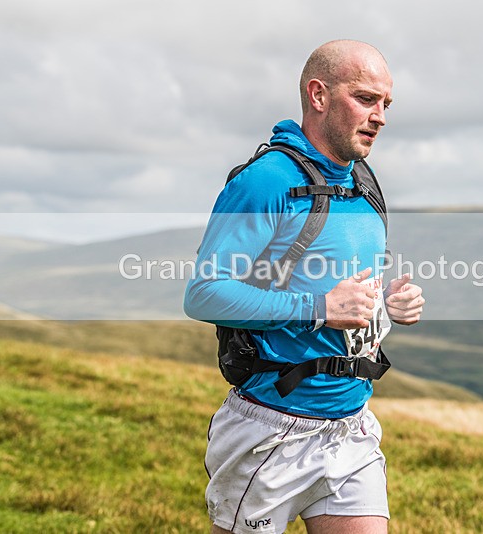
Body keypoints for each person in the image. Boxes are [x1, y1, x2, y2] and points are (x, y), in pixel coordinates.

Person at [184, 40, 424, 534]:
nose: (379, 116)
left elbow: (349, 295)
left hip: (350, 426)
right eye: (365, 98)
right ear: (318, 95)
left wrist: (387, 306)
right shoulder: (267, 180)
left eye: (386, 103)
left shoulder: (365, 182)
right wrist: (318, 307)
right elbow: (204, 292)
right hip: (269, 429)